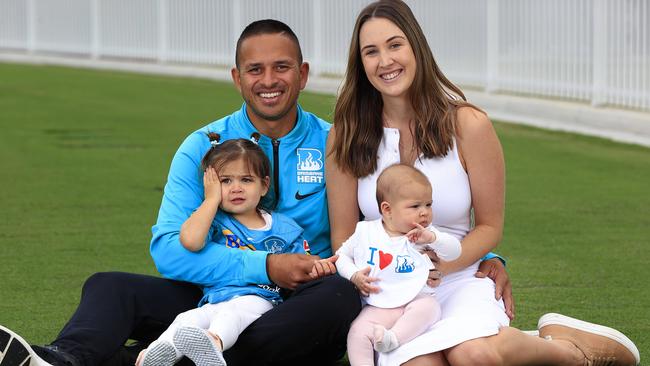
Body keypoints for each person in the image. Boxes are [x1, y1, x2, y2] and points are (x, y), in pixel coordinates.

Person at [0, 17, 511, 366]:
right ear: (237, 78)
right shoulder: (202, 146)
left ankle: (169, 355)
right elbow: (170, 249)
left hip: (300, 305)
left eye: (282, 67)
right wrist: (262, 267)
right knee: (109, 286)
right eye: (255, 69)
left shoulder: (337, 141)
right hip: (215, 293)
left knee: (337, 295)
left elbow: (393, 215)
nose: (270, 80)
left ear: (303, 73)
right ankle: (60, 360)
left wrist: (485, 257)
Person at [326, 1, 640, 366]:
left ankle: (567, 353)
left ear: (416, 47)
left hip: (457, 276)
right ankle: (521, 343)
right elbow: (343, 236)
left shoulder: (468, 125)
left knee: (474, 356)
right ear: (360, 64)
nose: (385, 61)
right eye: (371, 52)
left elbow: (490, 226)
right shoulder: (345, 136)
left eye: (395, 45)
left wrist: (440, 267)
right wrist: (371, 276)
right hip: (389, 293)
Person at [136, 137, 335, 366]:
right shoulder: (214, 222)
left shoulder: (284, 227)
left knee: (233, 313)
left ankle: (214, 345)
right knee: (187, 318)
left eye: (246, 179)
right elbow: (190, 241)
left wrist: (319, 267)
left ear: (264, 185)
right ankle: (155, 355)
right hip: (215, 298)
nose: (236, 188)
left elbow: (304, 263)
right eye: (226, 181)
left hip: (259, 298)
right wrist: (211, 200)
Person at [336, 164, 462, 366]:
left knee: (429, 307)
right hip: (378, 305)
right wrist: (354, 275)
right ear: (387, 209)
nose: (424, 213)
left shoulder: (425, 234)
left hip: (415, 300)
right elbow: (341, 256)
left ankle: (393, 339)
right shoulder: (365, 232)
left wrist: (433, 238)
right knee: (357, 333)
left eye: (428, 205)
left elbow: (455, 251)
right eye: (415, 206)